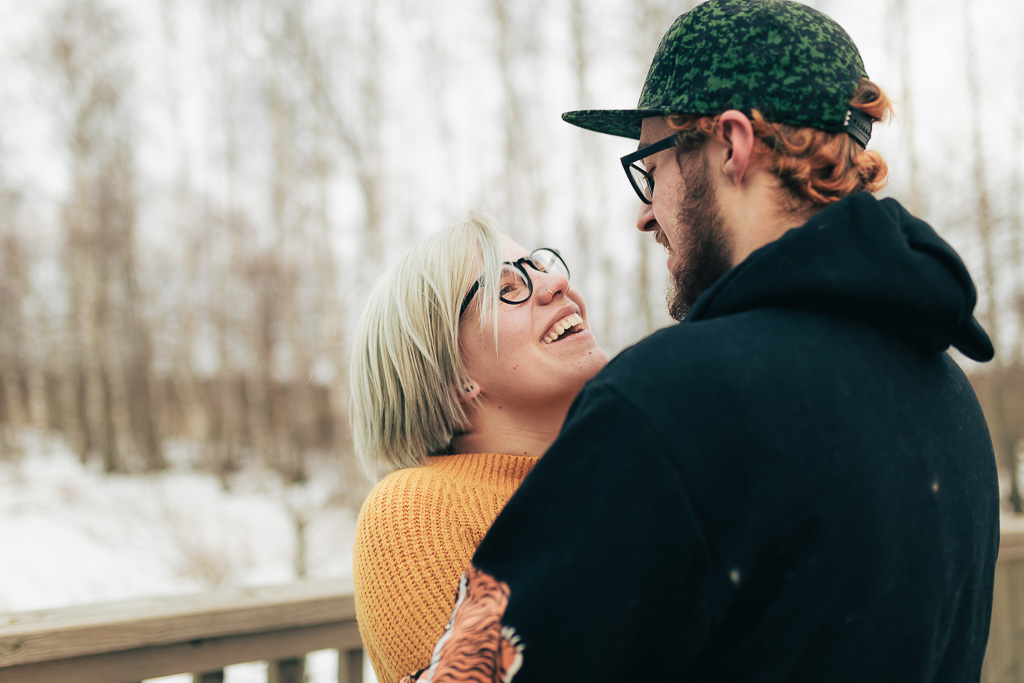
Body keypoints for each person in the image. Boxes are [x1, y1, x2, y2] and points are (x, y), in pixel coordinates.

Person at [401, 2, 1000, 682]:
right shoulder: (950, 399)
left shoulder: (672, 401)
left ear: (732, 145)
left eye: (650, 167)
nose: (644, 212)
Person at [349, 213, 607, 683]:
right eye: (507, 287)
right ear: (453, 378)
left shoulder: (625, 467)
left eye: (539, 266)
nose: (557, 283)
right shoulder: (414, 510)